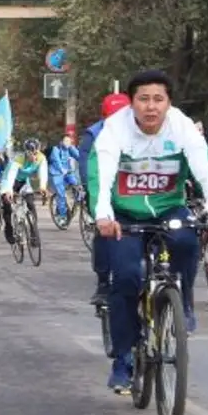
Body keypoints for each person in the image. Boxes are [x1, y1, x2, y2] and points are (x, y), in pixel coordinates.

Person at [89, 70, 208, 393]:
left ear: (168, 102)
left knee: (186, 240)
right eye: (143, 99)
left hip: (170, 209)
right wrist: (103, 215)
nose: (151, 107)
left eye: (158, 99)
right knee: (125, 278)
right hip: (125, 215)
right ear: (132, 102)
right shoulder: (115, 129)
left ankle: (183, 301)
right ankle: (123, 358)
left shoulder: (181, 127)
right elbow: (102, 172)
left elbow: (204, 169)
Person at [78, 92, 131, 306]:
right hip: (103, 190)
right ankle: (102, 282)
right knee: (104, 232)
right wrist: (92, 194)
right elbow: (85, 167)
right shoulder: (93, 135)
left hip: (136, 193)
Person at [0, 138, 48, 245]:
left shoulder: (41, 158)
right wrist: (8, 191)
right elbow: (11, 175)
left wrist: (42, 187)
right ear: (26, 152)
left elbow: (43, 172)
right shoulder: (19, 159)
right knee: (7, 203)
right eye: (31, 153)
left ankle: (34, 233)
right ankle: (8, 228)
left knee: (31, 204)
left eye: (36, 153)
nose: (34, 156)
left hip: (23, 181)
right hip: (9, 180)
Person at [49, 135, 80, 223]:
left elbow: (78, 156)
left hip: (67, 172)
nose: (68, 143)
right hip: (57, 173)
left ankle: (76, 203)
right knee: (61, 194)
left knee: (77, 186)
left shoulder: (70, 148)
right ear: (61, 142)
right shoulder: (56, 149)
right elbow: (57, 161)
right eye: (66, 141)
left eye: (69, 141)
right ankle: (62, 216)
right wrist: (62, 169)